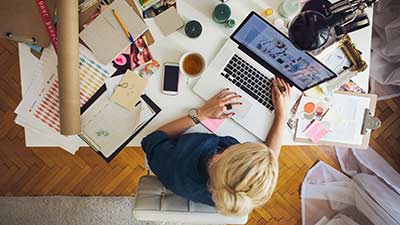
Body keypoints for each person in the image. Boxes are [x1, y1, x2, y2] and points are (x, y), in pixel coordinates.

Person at [141, 77, 291, 216]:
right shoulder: (240, 194)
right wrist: (282, 116)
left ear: (219, 156)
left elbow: (151, 140)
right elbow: (269, 158)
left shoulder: (174, 165)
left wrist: (201, 114)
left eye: (244, 146)